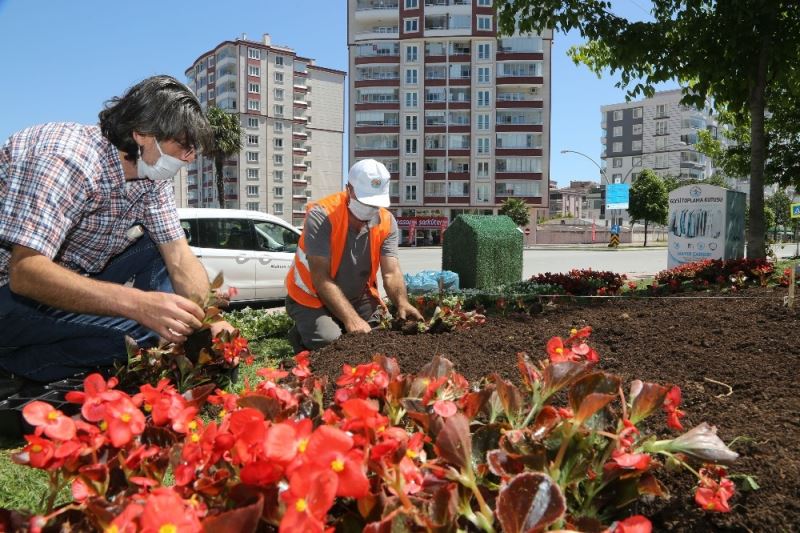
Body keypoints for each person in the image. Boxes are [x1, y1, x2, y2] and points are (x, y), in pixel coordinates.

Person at [0, 75, 232, 394]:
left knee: (154, 247)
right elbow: (26, 272)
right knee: (143, 334)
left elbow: (178, 255)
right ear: (142, 134)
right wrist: (138, 305)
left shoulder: (150, 178)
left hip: (64, 275)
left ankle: (151, 335)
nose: (190, 158)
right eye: (184, 146)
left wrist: (207, 321)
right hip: (10, 290)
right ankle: (17, 367)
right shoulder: (68, 161)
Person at [285, 159, 423, 351]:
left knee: (381, 336)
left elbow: (391, 273)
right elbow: (320, 278)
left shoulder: (387, 222)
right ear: (348, 189)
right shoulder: (322, 215)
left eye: (375, 203)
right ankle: (302, 332)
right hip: (311, 297)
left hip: (357, 296)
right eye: (365, 201)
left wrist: (402, 302)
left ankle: (339, 320)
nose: (370, 208)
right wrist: (352, 319)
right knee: (331, 343)